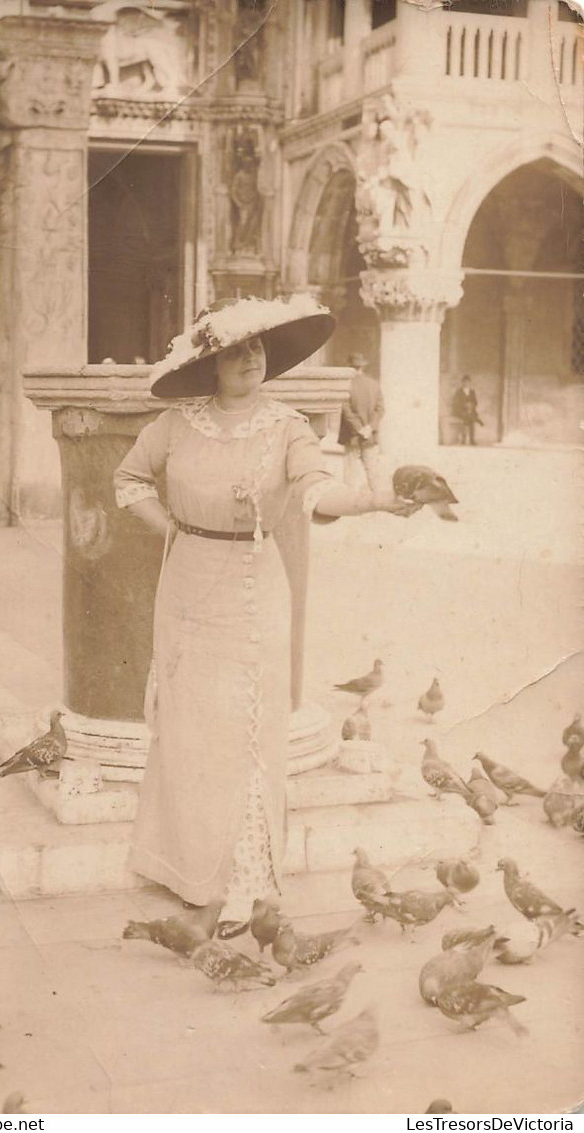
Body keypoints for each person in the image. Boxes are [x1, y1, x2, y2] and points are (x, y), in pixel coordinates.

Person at [114, 295, 415, 938]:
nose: (250, 358)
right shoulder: (175, 423)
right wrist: (170, 529)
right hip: (187, 583)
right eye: (234, 350)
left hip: (253, 590)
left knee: (246, 736)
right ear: (211, 363)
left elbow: (316, 491)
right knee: (191, 729)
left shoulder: (288, 426)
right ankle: (194, 870)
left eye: (257, 347)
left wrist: (375, 501)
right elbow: (129, 480)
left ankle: (244, 884)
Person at [338, 353, 384, 492]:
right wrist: (370, 427)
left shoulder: (346, 386)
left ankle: (350, 505)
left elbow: (346, 411)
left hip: (352, 437)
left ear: (349, 367)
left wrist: (359, 429)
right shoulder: (374, 385)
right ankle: (379, 502)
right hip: (369, 436)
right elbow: (380, 409)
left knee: (350, 475)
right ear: (362, 367)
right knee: (373, 473)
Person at [451, 374, 483, 446]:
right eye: (464, 382)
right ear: (462, 382)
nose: (466, 383)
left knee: (469, 418)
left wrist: (471, 407)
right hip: (461, 410)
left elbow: (475, 402)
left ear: (469, 383)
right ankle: (464, 438)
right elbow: (456, 402)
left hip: (470, 410)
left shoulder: (472, 391)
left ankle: (471, 439)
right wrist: (465, 406)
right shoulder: (459, 391)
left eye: (468, 382)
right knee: (468, 418)